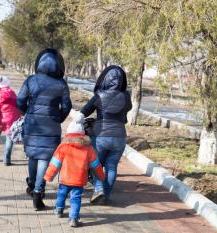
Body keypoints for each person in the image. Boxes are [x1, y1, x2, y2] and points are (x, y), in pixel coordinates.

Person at [17, 48, 72, 210]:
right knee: (44, 158)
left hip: (32, 124)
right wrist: (58, 118)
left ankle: (33, 185)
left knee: (33, 155)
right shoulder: (61, 84)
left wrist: (28, 113)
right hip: (51, 126)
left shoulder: (31, 80)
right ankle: (38, 192)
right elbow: (67, 106)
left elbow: (20, 100)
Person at [78, 65, 132, 204]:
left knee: (95, 164)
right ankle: (106, 196)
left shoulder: (100, 96)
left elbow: (85, 111)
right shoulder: (126, 96)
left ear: (105, 79)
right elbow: (128, 108)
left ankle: (99, 188)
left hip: (101, 136)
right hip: (120, 137)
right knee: (112, 167)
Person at [44, 114, 105, 227]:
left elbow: (55, 163)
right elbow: (96, 164)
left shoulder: (63, 146)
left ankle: (59, 209)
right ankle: (73, 218)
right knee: (76, 198)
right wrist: (101, 175)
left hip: (65, 179)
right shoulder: (89, 148)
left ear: (69, 133)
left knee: (61, 194)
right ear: (82, 134)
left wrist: (49, 175)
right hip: (79, 179)